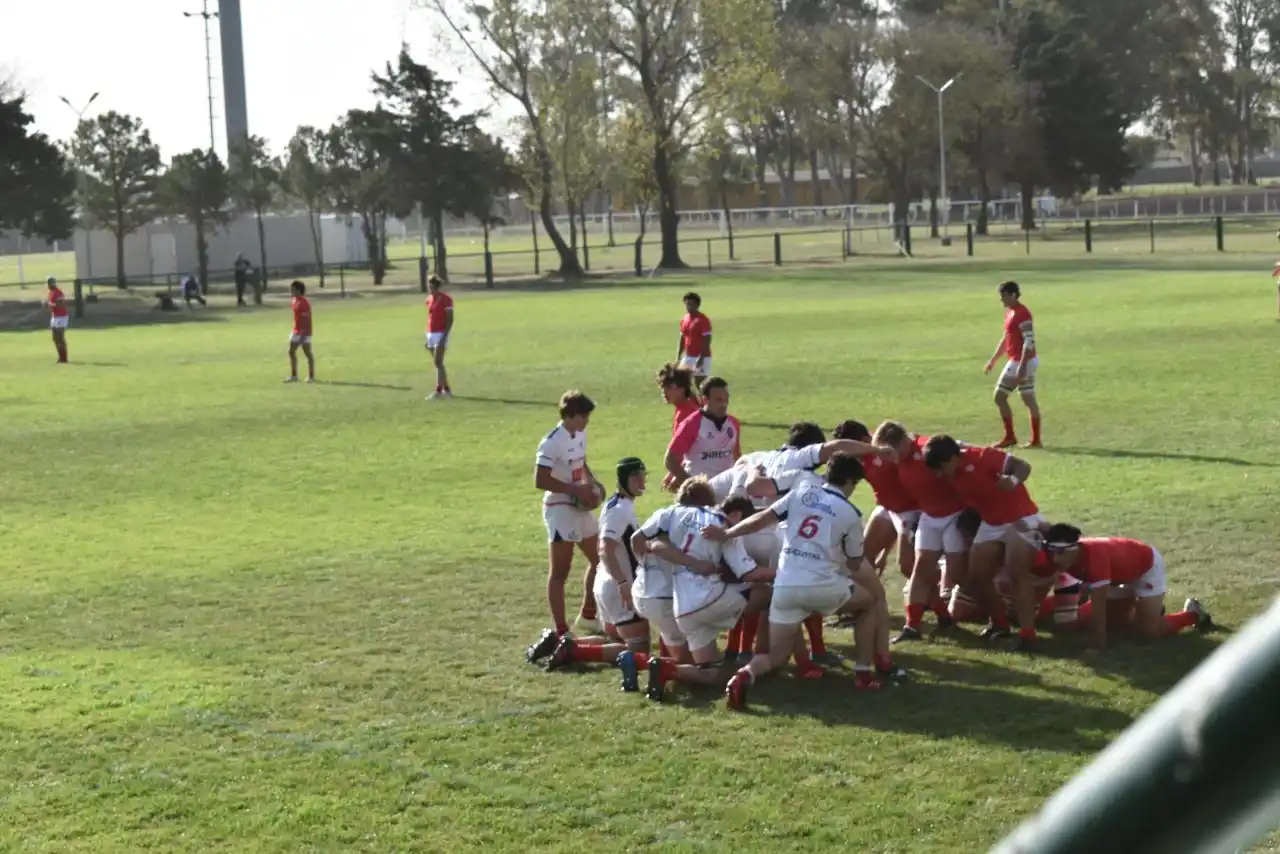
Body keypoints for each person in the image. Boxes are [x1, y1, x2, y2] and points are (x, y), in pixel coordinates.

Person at [709, 454, 896, 710]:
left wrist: (727, 533)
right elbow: (854, 563)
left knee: (776, 656)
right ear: (851, 481)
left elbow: (760, 519)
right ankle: (863, 674)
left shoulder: (801, 493)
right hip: (821, 585)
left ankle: (743, 676)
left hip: (785, 586)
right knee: (870, 602)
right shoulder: (850, 513)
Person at [629, 478, 774, 702]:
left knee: (711, 673)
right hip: (709, 598)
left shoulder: (666, 514)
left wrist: (646, 565)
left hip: (681, 607)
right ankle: (764, 657)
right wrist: (784, 574)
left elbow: (636, 539)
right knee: (767, 593)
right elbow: (749, 573)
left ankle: (665, 669)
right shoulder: (719, 521)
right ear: (709, 500)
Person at [923, 434, 1037, 643]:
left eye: (941, 468)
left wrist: (1011, 481)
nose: (939, 475)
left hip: (1019, 518)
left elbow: (1023, 466)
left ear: (952, 459)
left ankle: (1028, 635)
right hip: (991, 522)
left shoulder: (983, 456)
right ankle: (1000, 623)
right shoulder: (952, 463)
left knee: (1017, 574)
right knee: (977, 578)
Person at [1042, 524, 1212, 653]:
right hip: (1116, 579)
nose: (1055, 558)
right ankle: (1143, 609)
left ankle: (1193, 613)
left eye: (1060, 552)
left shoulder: (1095, 558)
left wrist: (1097, 647)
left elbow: (1098, 603)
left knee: (1150, 633)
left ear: (1074, 548)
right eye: (1051, 551)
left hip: (1145, 570)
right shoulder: (1062, 558)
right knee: (1110, 625)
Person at [526, 391, 606, 663]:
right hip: (559, 509)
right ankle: (561, 630)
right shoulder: (550, 443)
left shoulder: (578, 435)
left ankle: (588, 614)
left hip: (578, 504)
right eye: (583, 416)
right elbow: (540, 479)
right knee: (561, 570)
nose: (587, 421)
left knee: (601, 558)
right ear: (570, 415)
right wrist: (573, 489)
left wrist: (593, 484)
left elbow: (581, 463)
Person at [872, 421, 963, 641]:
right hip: (927, 517)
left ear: (904, 441)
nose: (889, 458)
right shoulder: (898, 458)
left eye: (891, 452)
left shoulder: (926, 448)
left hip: (955, 515)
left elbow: (961, 452)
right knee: (915, 569)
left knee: (962, 575)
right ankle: (914, 626)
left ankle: (999, 622)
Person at [833, 420, 918, 580]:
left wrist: (885, 552)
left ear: (865, 441)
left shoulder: (887, 451)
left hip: (910, 511)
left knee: (908, 567)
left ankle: (944, 596)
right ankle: (869, 599)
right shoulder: (855, 455)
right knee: (862, 558)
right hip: (888, 508)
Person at [984, 281, 1042, 448]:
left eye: (1004, 296)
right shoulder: (1011, 312)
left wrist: (1022, 365)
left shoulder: (1022, 314)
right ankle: (1036, 440)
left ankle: (1010, 437)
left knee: (999, 396)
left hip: (1020, 361)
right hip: (1023, 361)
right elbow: (1006, 338)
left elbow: (1029, 341)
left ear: (1014, 295)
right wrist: (993, 360)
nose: (1002, 300)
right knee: (1028, 398)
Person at [664, 376, 740, 490]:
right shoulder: (691, 424)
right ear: (705, 400)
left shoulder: (733, 423)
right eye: (719, 400)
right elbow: (670, 460)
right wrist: (691, 484)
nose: (724, 404)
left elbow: (737, 457)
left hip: (726, 491)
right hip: (700, 496)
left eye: (726, 399)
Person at [425, 275, 453, 400]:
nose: (429, 287)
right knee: (438, 364)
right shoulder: (429, 299)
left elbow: (450, 319)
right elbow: (430, 317)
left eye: (430, 285)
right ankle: (446, 389)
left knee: (438, 362)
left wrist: (444, 336)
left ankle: (438, 391)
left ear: (435, 286)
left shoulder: (446, 299)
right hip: (431, 333)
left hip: (441, 333)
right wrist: (428, 337)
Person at [655, 363, 701, 435]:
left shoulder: (687, 413)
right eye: (662, 387)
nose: (664, 391)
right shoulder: (683, 408)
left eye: (669, 387)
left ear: (682, 388)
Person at [675, 292, 712, 379]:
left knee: (700, 383)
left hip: (701, 357)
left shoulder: (703, 320)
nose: (689, 307)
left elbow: (707, 340)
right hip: (688, 356)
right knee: (680, 379)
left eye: (691, 304)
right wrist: (678, 356)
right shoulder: (685, 318)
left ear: (697, 305)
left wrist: (701, 357)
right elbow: (682, 338)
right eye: (687, 304)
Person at [285, 280, 315, 383]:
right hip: (296, 330)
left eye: (292, 289)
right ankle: (294, 376)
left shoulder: (304, 302)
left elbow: (305, 319)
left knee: (307, 353)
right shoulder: (294, 300)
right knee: (291, 351)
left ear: (298, 290)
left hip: (304, 331)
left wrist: (303, 333)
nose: (290, 291)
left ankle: (311, 376)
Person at [46, 277, 69, 364]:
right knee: (55, 338)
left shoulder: (58, 292)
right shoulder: (51, 293)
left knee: (60, 337)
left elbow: (61, 304)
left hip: (61, 316)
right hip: (55, 316)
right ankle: (60, 357)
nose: (49, 285)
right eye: (48, 283)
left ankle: (64, 358)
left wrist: (51, 305)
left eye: (51, 283)